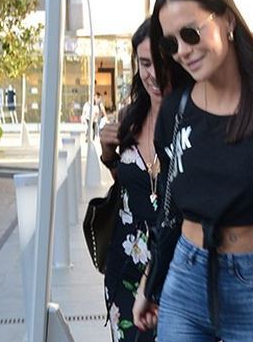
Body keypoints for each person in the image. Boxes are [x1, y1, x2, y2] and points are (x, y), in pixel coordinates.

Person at [133, 0, 253, 342]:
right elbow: (170, 212)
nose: (183, 51)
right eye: (171, 44)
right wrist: (150, 281)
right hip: (186, 273)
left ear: (227, 20)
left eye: (191, 34)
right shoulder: (176, 110)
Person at [98, 18, 162, 342]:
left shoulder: (194, 121)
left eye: (161, 61)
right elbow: (126, 185)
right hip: (124, 263)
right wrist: (108, 153)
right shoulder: (129, 118)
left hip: (172, 266)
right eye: (145, 63)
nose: (154, 74)